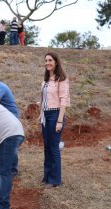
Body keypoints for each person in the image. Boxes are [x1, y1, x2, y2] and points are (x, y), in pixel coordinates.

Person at [40, 52, 70, 187]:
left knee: (53, 148)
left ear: (56, 62)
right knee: (47, 147)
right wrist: (41, 113)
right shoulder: (46, 80)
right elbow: (44, 99)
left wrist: (59, 121)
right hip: (45, 115)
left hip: (55, 115)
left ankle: (55, 180)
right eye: (46, 60)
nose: (47, 63)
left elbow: (63, 100)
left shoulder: (61, 79)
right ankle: (47, 176)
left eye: (50, 60)